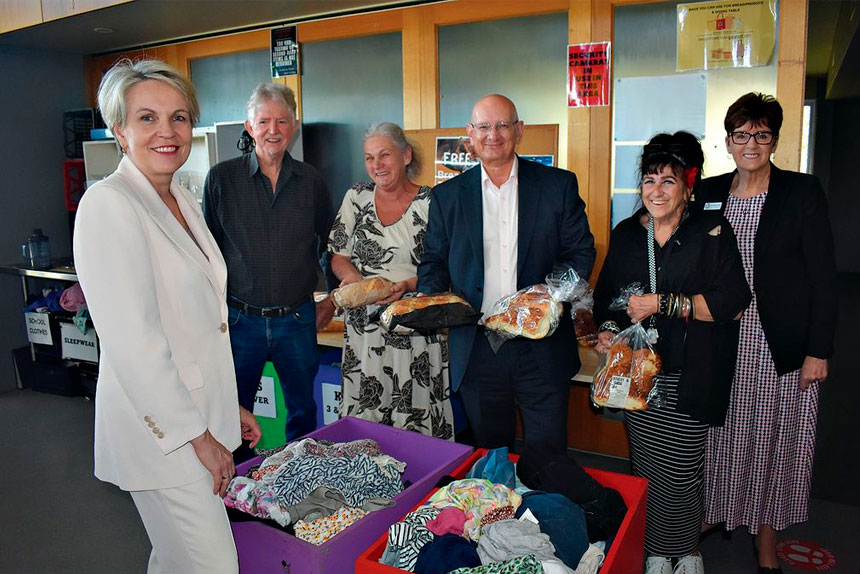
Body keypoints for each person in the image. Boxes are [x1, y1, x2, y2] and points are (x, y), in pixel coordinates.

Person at [73, 59, 261, 574]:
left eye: (178, 117)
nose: (167, 131)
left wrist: (226, 407)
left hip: (195, 416)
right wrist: (199, 435)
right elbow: (135, 343)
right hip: (165, 437)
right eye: (147, 118)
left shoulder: (180, 197)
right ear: (120, 131)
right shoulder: (109, 205)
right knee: (214, 564)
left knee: (177, 560)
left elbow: (195, 327)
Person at [593, 132, 750, 574]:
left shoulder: (710, 231)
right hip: (639, 373)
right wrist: (608, 331)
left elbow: (732, 302)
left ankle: (684, 549)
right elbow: (607, 299)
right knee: (646, 463)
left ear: (687, 186)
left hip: (693, 369)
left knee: (681, 467)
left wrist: (663, 303)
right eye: (649, 180)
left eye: (668, 181)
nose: (656, 191)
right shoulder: (628, 234)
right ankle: (658, 551)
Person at [700, 93, 838, 574]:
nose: (751, 144)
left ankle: (766, 535)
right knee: (720, 435)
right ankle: (715, 513)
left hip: (779, 342)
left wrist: (818, 350)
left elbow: (824, 277)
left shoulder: (800, 192)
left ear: (775, 141)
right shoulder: (708, 191)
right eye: (741, 135)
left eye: (761, 134)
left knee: (776, 440)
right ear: (728, 142)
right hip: (720, 338)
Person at [418, 94, 595, 454]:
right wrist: (429, 296)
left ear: (519, 130)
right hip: (478, 347)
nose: (493, 134)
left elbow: (580, 252)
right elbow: (434, 260)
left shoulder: (557, 186)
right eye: (484, 126)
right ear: (470, 133)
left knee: (548, 455)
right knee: (490, 455)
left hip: (543, 343)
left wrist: (545, 296)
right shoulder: (447, 196)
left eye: (502, 125)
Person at [203, 83, 335, 450]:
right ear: (249, 127)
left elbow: (330, 244)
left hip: (297, 319)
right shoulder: (221, 180)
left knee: (302, 412)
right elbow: (206, 253)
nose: (272, 130)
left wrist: (333, 299)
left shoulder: (311, 182)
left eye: (282, 121)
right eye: (263, 122)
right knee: (233, 412)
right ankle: (234, 482)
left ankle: (300, 477)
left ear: (294, 126)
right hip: (239, 321)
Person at [328, 122, 454, 439]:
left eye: (385, 155)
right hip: (365, 331)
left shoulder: (432, 202)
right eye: (369, 158)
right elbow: (338, 256)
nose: (377, 165)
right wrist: (354, 279)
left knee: (416, 421)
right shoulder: (356, 197)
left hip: (415, 328)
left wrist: (407, 285)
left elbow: (445, 266)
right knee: (365, 419)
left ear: (406, 155)